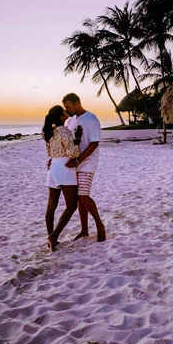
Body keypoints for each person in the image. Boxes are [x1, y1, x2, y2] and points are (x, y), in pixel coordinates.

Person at [62, 93, 106, 242]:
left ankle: (100, 226)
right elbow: (67, 143)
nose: (66, 110)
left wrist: (78, 160)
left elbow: (94, 143)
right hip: (74, 163)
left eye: (68, 106)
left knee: (83, 195)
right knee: (79, 199)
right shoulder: (70, 121)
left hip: (88, 163)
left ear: (76, 103)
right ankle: (84, 230)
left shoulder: (91, 119)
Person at [43, 105, 79, 251]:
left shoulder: (49, 132)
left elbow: (49, 152)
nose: (66, 112)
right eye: (64, 111)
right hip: (64, 167)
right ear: (60, 116)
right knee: (72, 205)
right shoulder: (64, 130)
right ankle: (53, 236)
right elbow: (72, 151)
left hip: (53, 168)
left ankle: (52, 238)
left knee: (51, 207)